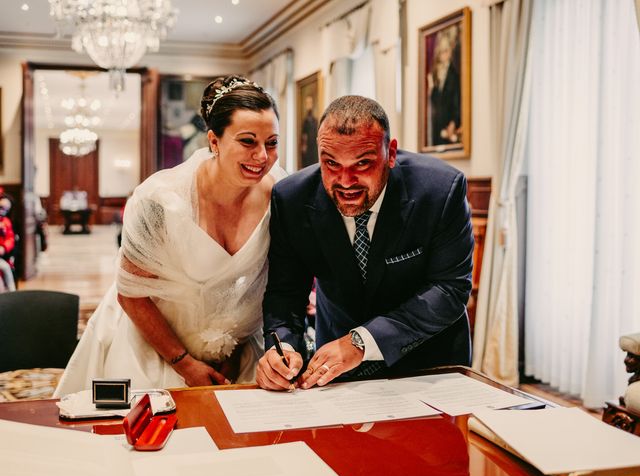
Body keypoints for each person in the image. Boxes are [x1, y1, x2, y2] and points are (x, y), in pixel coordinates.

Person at [55, 75, 284, 397]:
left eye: (271, 143)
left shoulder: (281, 197)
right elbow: (131, 294)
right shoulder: (160, 201)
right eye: (248, 142)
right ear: (214, 142)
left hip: (238, 350)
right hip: (154, 345)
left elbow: (275, 281)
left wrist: (238, 347)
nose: (262, 157)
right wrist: (184, 363)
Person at [256, 95, 474, 391]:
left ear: (391, 153)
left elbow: (449, 290)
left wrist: (361, 342)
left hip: (429, 366)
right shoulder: (292, 199)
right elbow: (285, 293)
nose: (345, 181)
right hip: (335, 371)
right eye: (331, 163)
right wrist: (282, 349)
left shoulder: (439, 191)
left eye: (363, 163)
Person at [427, 30, 461, 146]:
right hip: (437, 127)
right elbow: (435, 102)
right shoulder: (436, 74)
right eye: (441, 52)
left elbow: (457, 104)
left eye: (445, 51)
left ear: (450, 52)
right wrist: (431, 89)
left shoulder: (454, 76)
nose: (443, 55)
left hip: (449, 128)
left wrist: (453, 124)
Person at [0, 193, 17, 292]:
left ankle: (12, 291)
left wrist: (4, 247)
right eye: (1, 207)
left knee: (7, 268)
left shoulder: (6, 222)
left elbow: (10, 239)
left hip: (3, 255)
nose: (2, 211)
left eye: (6, 209)